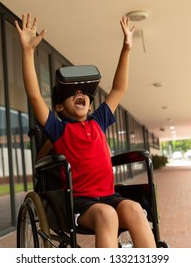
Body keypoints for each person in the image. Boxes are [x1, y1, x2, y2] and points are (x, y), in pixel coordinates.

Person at [15, 13, 156, 248]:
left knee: (135, 208)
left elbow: (119, 89)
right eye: (73, 92)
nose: (80, 93)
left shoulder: (98, 121)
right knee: (107, 215)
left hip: (110, 196)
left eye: (85, 93)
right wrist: (28, 52)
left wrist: (126, 48)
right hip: (79, 203)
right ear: (59, 106)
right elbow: (34, 95)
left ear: (90, 104)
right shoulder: (58, 128)